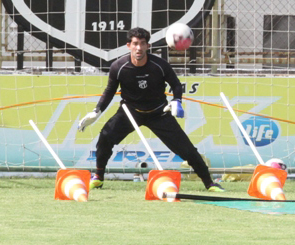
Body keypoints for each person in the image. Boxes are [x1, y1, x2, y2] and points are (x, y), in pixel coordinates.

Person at [77, 27, 223, 192]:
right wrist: (96, 111)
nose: (138, 48)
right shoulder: (118, 67)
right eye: (135, 44)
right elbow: (109, 91)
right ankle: (98, 177)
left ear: (148, 46)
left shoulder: (159, 65)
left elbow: (176, 84)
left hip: (158, 113)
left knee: (187, 149)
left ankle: (209, 183)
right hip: (130, 112)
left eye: (142, 44)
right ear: (128, 46)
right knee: (105, 137)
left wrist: (177, 101)